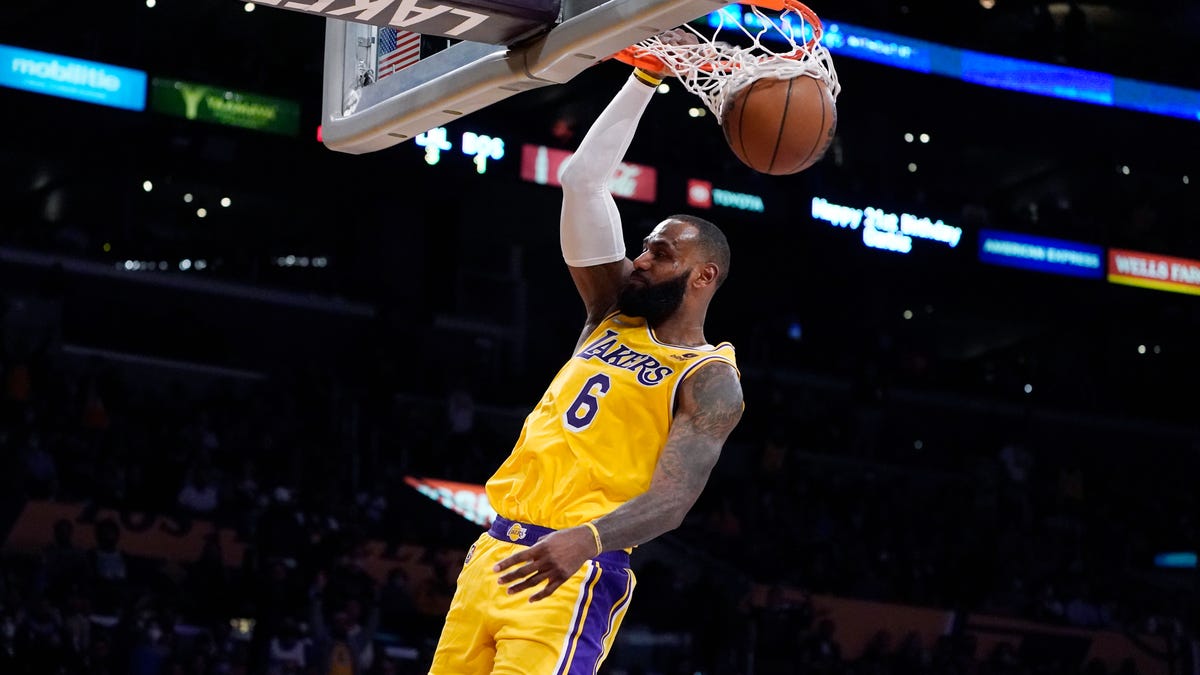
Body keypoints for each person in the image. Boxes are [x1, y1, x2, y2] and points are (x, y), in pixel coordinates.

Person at [429, 32, 744, 675]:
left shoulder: (710, 377)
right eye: (646, 245)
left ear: (703, 277)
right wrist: (644, 78)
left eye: (662, 254)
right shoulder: (611, 310)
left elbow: (673, 499)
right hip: (492, 552)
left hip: (572, 569)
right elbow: (582, 181)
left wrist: (588, 541)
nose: (641, 258)